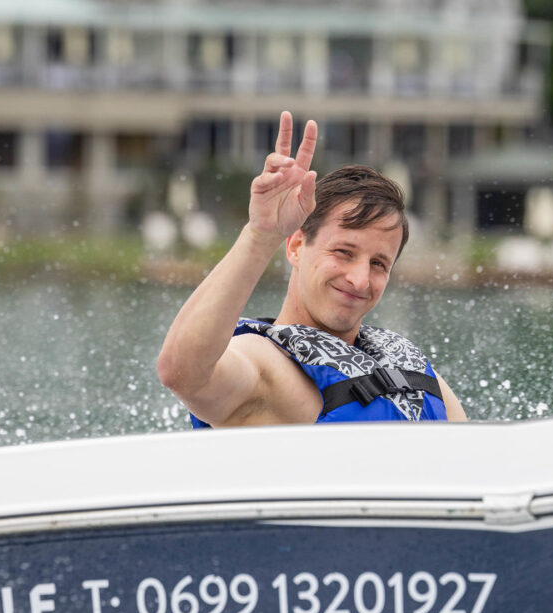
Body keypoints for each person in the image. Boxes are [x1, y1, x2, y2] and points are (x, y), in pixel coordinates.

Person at [157, 111, 467, 426]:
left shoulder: (410, 367)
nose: (360, 280)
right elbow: (181, 373)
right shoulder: (266, 366)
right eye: (344, 252)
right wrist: (260, 236)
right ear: (295, 247)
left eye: (378, 264)